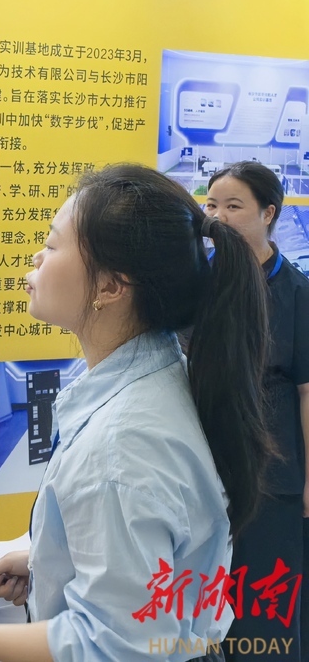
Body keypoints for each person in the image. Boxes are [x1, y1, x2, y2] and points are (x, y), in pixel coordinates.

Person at [0, 164, 271, 662]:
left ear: (110, 287)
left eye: (51, 245)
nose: (36, 257)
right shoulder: (163, 375)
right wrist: (50, 563)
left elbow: (114, 645)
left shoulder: (122, 444)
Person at [205, 161, 309, 661]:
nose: (218, 217)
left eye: (233, 206)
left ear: (268, 214)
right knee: (203, 604)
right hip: (205, 467)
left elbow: (307, 392)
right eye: (211, 205)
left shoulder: (298, 292)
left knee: (266, 612)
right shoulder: (198, 284)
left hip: (274, 474)